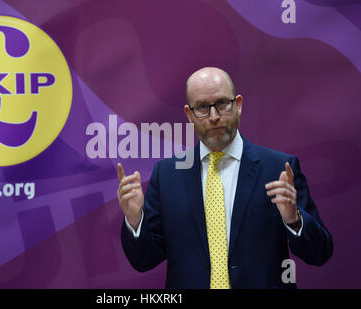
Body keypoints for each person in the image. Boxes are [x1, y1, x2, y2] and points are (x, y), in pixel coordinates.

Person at [117, 67, 333, 289]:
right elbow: (144, 260)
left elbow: (320, 253)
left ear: (237, 105)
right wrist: (135, 221)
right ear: (189, 115)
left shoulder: (278, 168)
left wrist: (293, 219)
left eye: (222, 103)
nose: (214, 116)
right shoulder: (167, 175)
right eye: (202, 107)